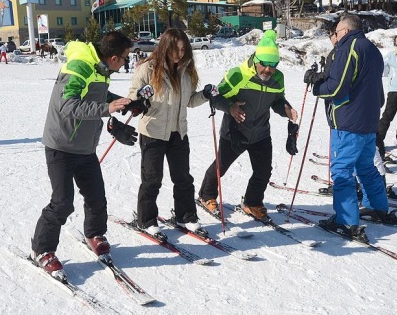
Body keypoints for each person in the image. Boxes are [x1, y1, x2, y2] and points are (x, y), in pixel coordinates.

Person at [31, 31, 139, 279]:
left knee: (96, 197)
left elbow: (97, 96)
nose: (125, 63)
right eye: (124, 58)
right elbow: (67, 105)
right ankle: (43, 250)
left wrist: (124, 102)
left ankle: (94, 232)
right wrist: (106, 108)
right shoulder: (80, 66)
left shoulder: (101, 69)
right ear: (112, 57)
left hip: (85, 147)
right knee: (62, 203)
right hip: (61, 145)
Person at [305, 15, 397, 242]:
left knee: (342, 171)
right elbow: (375, 89)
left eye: (336, 32)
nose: (335, 37)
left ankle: (346, 220)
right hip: (367, 121)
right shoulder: (372, 49)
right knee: (365, 167)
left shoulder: (349, 48)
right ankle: (377, 206)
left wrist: (316, 85)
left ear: (345, 30)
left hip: (348, 121)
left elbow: (337, 86)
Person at [198, 30, 298, 222]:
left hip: (260, 133)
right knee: (221, 167)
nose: (268, 70)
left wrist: (286, 109)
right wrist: (230, 107)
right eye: (265, 64)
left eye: (273, 65)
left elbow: (277, 100)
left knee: (263, 171)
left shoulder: (278, 79)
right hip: (235, 132)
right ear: (256, 59)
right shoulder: (238, 74)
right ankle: (206, 195)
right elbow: (215, 97)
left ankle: (252, 202)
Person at [128, 29, 215, 237]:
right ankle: (146, 219)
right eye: (176, 49)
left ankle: (185, 216)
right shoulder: (148, 69)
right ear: (165, 47)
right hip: (153, 132)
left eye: (184, 50)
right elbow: (132, 98)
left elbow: (189, 102)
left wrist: (204, 95)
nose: (180, 54)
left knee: (183, 178)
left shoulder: (186, 71)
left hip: (178, 132)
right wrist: (140, 97)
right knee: (152, 179)